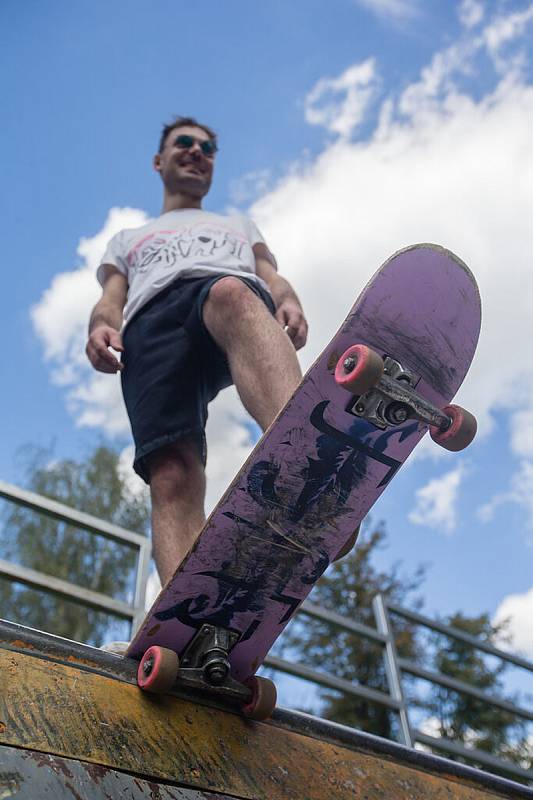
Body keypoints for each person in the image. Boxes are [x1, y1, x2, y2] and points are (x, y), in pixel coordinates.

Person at [86, 116, 308, 587]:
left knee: (231, 291)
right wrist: (103, 325)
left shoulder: (237, 225)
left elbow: (270, 274)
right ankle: (184, 613)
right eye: (184, 143)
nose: (196, 151)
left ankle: (304, 460)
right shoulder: (126, 239)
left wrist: (285, 298)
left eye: (208, 148)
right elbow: (111, 298)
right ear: (159, 160)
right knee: (170, 472)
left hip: (224, 299)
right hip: (151, 327)